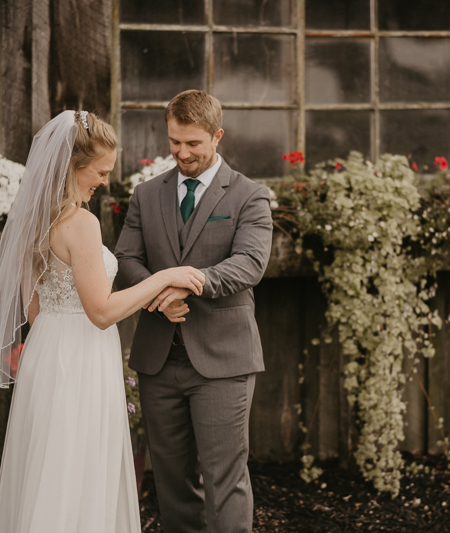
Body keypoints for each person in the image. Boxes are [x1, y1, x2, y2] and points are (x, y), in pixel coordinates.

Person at [0, 110, 205, 533]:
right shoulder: (82, 224)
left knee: (50, 468)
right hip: (80, 358)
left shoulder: (34, 221)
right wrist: (165, 278)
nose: (104, 181)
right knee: (80, 466)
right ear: (74, 168)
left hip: (46, 352)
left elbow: (34, 309)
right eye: (100, 171)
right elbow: (101, 312)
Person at [114, 90, 273, 533]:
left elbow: (249, 263)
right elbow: (125, 259)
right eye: (174, 142)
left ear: (217, 136)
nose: (182, 153)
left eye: (193, 144)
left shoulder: (249, 196)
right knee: (170, 480)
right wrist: (158, 294)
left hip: (223, 361)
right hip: (158, 360)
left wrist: (188, 280)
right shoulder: (146, 195)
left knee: (225, 479)